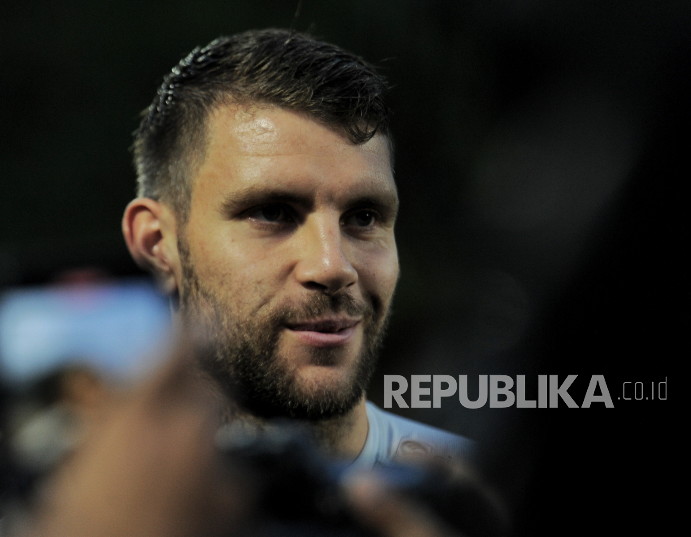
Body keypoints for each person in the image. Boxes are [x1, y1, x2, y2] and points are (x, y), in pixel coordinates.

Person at [121, 28, 474, 468]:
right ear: (156, 244)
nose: (332, 266)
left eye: (363, 217)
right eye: (272, 213)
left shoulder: (496, 504)